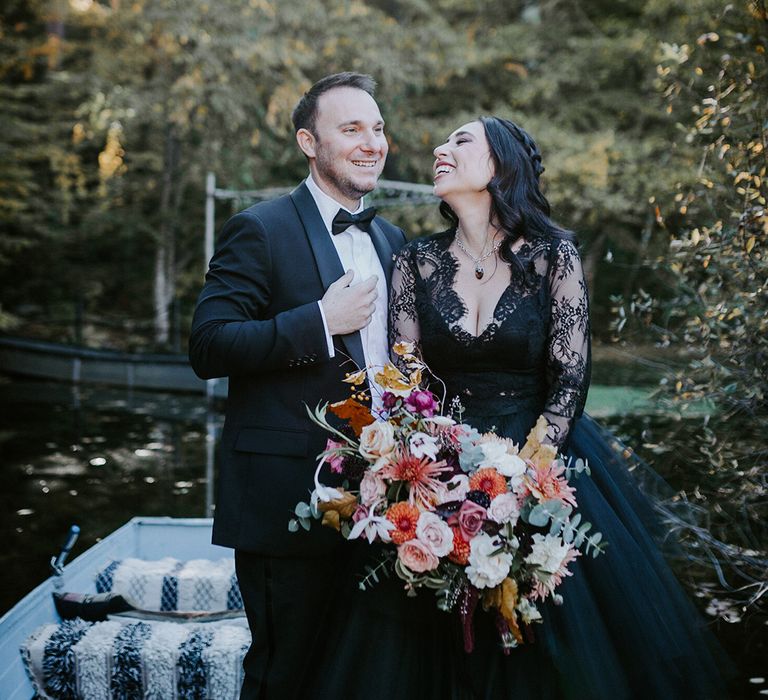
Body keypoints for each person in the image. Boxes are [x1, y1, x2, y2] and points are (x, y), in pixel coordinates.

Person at [313, 117, 730, 699]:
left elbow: (570, 378)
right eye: (443, 140)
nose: (441, 149)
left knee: (545, 636)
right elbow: (405, 385)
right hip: (441, 462)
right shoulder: (414, 262)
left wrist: (528, 475)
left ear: (500, 164)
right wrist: (426, 476)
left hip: (540, 457)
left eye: (461, 141)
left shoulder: (552, 255)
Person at [188, 72, 406, 699]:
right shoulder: (259, 228)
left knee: (357, 677)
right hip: (285, 501)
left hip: (381, 503)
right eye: (352, 129)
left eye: (379, 128)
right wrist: (318, 322)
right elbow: (208, 346)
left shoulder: (390, 239)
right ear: (310, 143)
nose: (373, 142)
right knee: (284, 677)